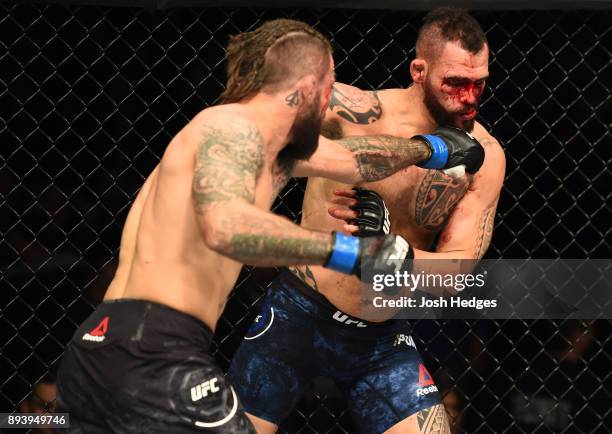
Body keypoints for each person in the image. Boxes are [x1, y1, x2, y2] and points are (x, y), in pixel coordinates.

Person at [55, 18, 484, 433]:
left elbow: (353, 160)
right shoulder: (231, 131)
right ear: (307, 87)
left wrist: (429, 149)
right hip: (151, 349)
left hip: (116, 344)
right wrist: (350, 252)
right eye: (329, 85)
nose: (332, 100)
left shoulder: (267, 148)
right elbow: (227, 225)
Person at [229, 8, 505, 434]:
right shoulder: (351, 112)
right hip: (299, 316)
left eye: (479, 83)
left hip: (380, 337)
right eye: (455, 83)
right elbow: (254, 136)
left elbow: (458, 272)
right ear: (419, 70)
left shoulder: (485, 155)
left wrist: (396, 254)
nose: (469, 97)